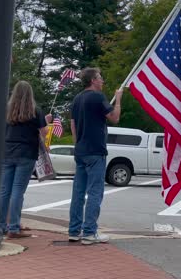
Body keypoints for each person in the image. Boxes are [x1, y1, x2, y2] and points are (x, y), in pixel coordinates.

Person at [68, 68, 122, 245]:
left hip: (81, 150)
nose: (102, 81)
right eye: (100, 77)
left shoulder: (77, 99)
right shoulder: (98, 97)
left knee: (78, 192)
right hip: (96, 151)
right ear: (92, 80)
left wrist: (78, 145)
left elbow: (73, 125)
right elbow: (114, 118)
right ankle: (90, 232)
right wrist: (118, 99)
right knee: (94, 192)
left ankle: (74, 231)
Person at [0, 81, 51, 239]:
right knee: (18, 191)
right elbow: (44, 132)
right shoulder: (35, 110)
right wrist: (46, 121)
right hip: (26, 153)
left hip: (7, 152)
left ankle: (0, 225)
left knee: (4, 191)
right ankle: (14, 227)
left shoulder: (6, 110)